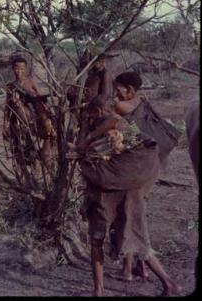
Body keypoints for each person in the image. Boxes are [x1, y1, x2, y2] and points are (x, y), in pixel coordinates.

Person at [74, 95, 182, 296]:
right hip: (122, 195)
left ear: (98, 112)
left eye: (91, 116)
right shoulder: (128, 135)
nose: (90, 120)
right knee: (138, 241)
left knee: (101, 241)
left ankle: (100, 290)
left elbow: (110, 130)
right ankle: (167, 283)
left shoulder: (113, 125)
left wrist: (85, 145)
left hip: (108, 198)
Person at [112, 71, 180, 280]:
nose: (116, 92)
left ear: (130, 89)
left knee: (129, 215)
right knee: (132, 211)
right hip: (152, 166)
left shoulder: (120, 107)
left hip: (135, 169)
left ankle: (136, 271)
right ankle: (136, 267)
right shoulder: (142, 101)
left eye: (119, 88)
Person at [3, 57, 54, 186]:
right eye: (16, 68)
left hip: (31, 121)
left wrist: (45, 119)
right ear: (12, 69)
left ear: (26, 69)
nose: (19, 71)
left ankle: (36, 176)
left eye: (21, 68)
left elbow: (40, 102)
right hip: (16, 122)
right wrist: (5, 124)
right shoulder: (10, 86)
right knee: (18, 151)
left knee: (32, 149)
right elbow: (7, 107)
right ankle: (25, 179)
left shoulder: (30, 82)